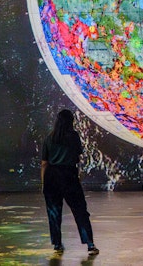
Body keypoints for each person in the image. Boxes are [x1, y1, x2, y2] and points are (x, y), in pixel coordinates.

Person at [41, 109, 99, 256]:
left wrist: (43, 184)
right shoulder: (73, 137)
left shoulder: (49, 138)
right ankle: (90, 244)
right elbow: (77, 157)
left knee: (54, 213)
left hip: (51, 177)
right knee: (80, 211)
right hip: (69, 176)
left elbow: (44, 163)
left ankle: (57, 244)